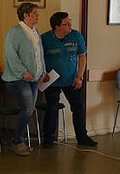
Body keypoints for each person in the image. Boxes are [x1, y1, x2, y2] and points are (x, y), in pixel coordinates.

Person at [40, 12, 98, 149]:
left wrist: (80, 77)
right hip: (52, 80)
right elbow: (39, 58)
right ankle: (48, 138)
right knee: (52, 108)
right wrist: (43, 72)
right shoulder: (44, 39)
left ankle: (82, 136)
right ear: (57, 27)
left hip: (72, 79)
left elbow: (82, 56)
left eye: (70, 22)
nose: (70, 26)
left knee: (78, 108)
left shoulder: (76, 36)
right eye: (66, 24)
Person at [2, 2, 47, 156]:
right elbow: (11, 55)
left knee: (29, 108)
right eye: (35, 12)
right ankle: (17, 141)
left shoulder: (35, 32)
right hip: (17, 79)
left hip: (34, 78)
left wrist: (43, 71)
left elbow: (39, 54)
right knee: (27, 107)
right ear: (26, 15)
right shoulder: (15, 32)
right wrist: (23, 72)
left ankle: (18, 139)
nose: (38, 15)